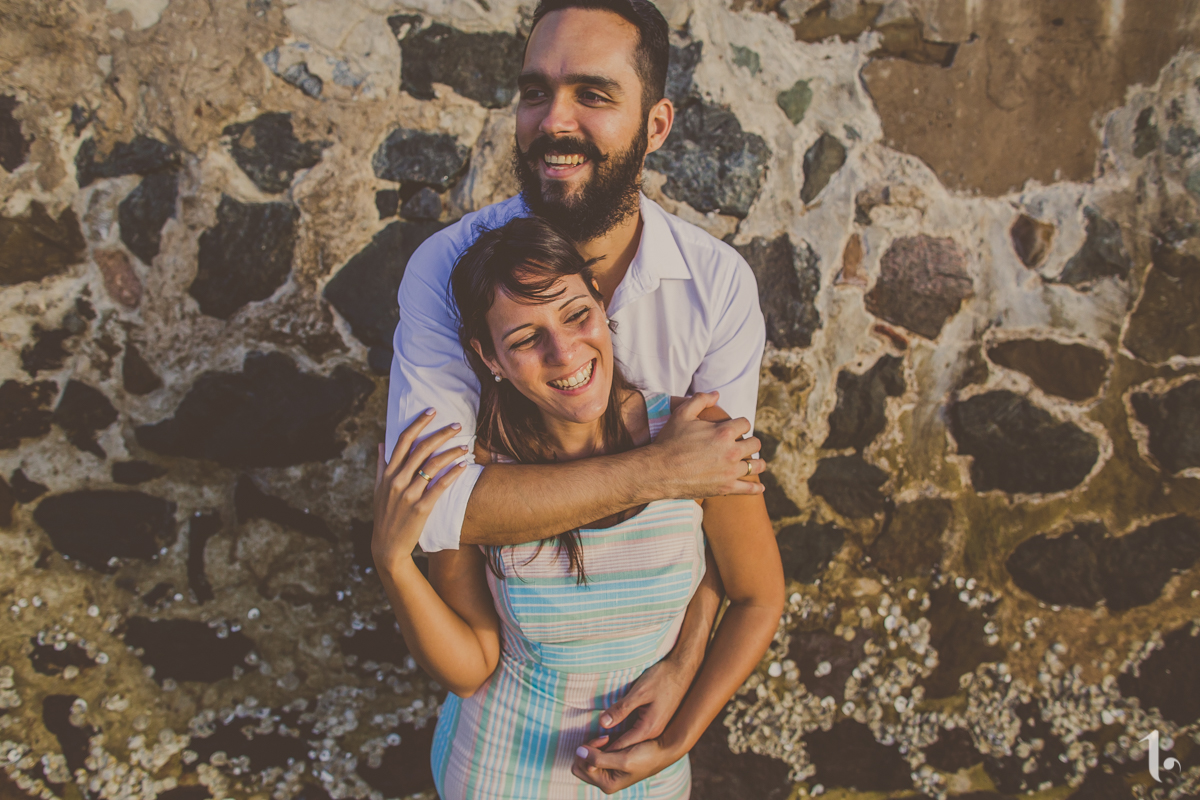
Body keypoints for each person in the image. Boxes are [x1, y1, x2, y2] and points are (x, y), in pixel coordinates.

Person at [385, 0, 769, 747]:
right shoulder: (445, 268)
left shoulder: (716, 285)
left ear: (656, 125)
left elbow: (722, 492)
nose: (554, 121)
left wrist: (686, 665)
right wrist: (655, 471)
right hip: (507, 713)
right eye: (535, 92)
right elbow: (436, 513)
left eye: (592, 94)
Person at [374, 217, 784, 797]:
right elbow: (469, 670)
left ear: (601, 299)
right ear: (488, 356)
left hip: (649, 775)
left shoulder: (694, 435)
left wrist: (677, 739)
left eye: (576, 314)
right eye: (523, 339)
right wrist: (392, 564)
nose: (564, 353)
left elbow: (758, 596)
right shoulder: (477, 476)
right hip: (499, 772)